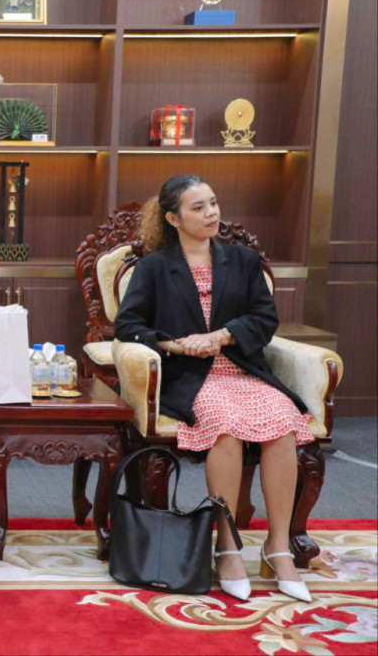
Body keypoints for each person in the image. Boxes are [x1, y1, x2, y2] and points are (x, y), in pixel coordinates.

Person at [115, 174, 315, 602]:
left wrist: (221, 336)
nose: (211, 213)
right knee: (224, 425)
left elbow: (264, 319)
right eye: (198, 207)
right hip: (190, 377)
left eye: (213, 203)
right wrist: (175, 345)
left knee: (282, 420)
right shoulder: (154, 268)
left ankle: (278, 546)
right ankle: (227, 545)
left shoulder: (243, 260)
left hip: (243, 369)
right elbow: (128, 326)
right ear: (173, 218)